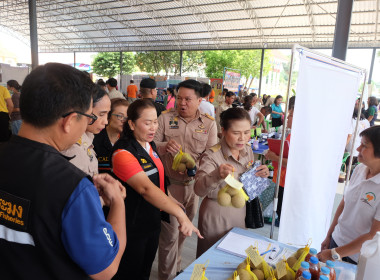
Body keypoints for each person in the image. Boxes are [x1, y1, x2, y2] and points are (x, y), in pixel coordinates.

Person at [0, 63, 126, 279]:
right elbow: (106, 269)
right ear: (68, 121)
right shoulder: (72, 187)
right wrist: (117, 203)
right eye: (89, 116)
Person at [111, 99, 202, 280]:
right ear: (131, 123)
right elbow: (145, 188)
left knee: (145, 270)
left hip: (151, 221)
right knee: (129, 272)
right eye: (147, 123)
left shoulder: (149, 146)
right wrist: (180, 215)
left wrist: (172, 200)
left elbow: (157, 182)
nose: (153, 128)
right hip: (132, 225)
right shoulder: (123, 153)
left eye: (155, 122)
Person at [154, 79, 218, 280]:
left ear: (200, 100)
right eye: (179, 98)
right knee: (169, 237)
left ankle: (176, 270)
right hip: (169, 187)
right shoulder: (165, 118)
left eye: (188, 99)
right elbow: (150, 145)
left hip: (193, 188)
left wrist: (196, 167)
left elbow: (211, 155)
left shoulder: (208, 123)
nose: (182, 103)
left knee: (184, 232)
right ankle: (167, 276)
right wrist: (165, 146)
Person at [194, 107, 269, 257]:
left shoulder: (247, 150)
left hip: (240, 212)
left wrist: (262, 174)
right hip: (217, 214)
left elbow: (248, 182)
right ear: (223, 130)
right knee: (212, 259)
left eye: (247, 132)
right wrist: (216, 175)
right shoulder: (211, 156)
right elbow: (198, 189)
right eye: (236, 133)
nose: (242, 138)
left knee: (236, 256)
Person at [318, 125, 380, 264]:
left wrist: (334, 253)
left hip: (357, 257)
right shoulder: (359, 169)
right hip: (336, 241)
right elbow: (344, 204)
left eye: (364, 146)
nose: (358, 149)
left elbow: (373, 236)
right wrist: (329, 236)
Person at [62, 85, 111, 177]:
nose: (106, 121)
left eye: (107, 114)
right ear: (85, 111)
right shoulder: (71, 149)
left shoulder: (89, 137)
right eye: (101, 114)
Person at [264, 96, 295, 224]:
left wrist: (274, 157)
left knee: (285, 216)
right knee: (281, 211)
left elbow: (294, 163)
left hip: (289, 182)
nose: (286, 117)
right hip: (281, 179)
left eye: (290, 116)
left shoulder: (300, 138)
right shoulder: (291, 134)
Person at [94, 98, 129, 174]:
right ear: (108, 116)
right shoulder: (95, 140)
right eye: (120, 116)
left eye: (127, 117)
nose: (124, 120)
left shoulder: (128, 140)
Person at [346, 100, 370, 168]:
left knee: (347, 168)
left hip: (351, 149)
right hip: (361, 149)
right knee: (355, 168)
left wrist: (343, 147)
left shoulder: (351, 120)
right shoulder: (366, 121)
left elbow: (349, 135)